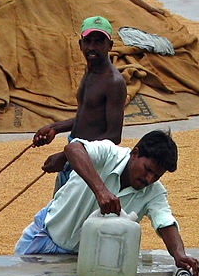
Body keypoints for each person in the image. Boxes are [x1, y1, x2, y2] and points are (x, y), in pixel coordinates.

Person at [15, 130, 199, 276]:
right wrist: (100, 191)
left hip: (84, 260)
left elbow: (165, 221)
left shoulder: (155, 192)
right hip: (44, 234)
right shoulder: (109, 153)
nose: (149, 179)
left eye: (156, 176)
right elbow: (73, 149)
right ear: (134, 153)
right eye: (148, 170)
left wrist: (179, 254)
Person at [31, 15, 127, 193]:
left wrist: (67, 156)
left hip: (90, 163)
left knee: (65, 215)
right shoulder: (90, 71)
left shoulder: (113, 82)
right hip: (76, 152)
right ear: (80, 44)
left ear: (110, 46)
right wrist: (55, 127)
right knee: (58, 211)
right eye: (88, 41)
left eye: (99, 42)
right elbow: (88, 116)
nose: (92, 47)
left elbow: (114, 137)